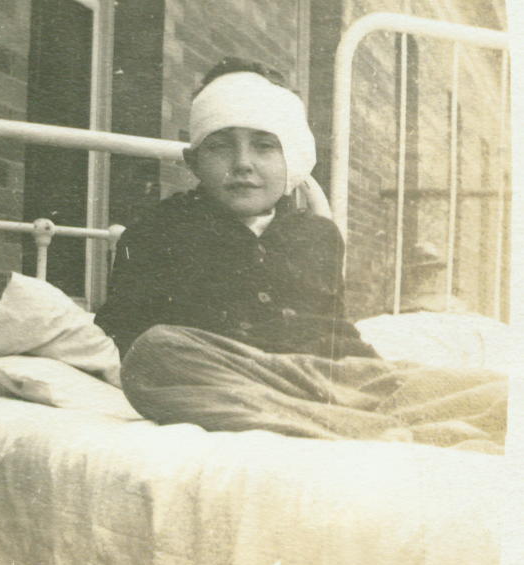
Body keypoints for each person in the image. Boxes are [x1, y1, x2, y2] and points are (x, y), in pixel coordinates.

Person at [95, 59, 506, 449]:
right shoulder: (158, 229)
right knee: (155, 354)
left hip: (325, 378)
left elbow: (335, 331)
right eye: (220, 147)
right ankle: (381, 432)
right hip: (236, 379)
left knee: (487, 388)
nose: (243, 164)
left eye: (264, 146)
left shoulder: (317, 234)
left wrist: (381, 377)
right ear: (193, 161)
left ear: (290, 157)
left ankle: (372, 422)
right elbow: (124, 335)